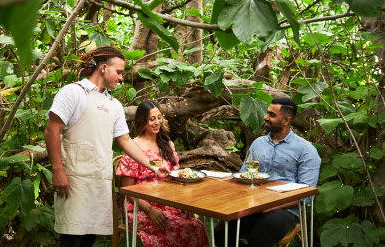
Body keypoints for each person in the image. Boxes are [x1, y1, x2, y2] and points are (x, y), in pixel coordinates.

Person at [44, 47, 169, 247]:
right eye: (118, 72)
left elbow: (126, 140)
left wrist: (154, 165)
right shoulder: (74, 92)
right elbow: (52, 130)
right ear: (103, 68)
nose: (121, 78)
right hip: (74, 179)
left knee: (89, 239)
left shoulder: (114, 105)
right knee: (71, 238)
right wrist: (58, 170)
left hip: (100, 180)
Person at [214, 98, 321, 247]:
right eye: (267, 113)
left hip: (285, 210)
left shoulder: (306, 150)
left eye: (272, 114)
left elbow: (307, 195)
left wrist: (272, 206)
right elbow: (244, 175)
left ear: (286, 120)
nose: (265, 117)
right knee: (221, 232)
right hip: (253, 205)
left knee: (259, 239)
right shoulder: (259, 143)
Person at [116, 100, 209, 247]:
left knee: (197, 225)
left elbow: (176, 180)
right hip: (140, 207)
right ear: (142, 120)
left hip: (168, 203)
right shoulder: (133, 149)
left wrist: (184, 205)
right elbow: (127, 192)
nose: (157, 122)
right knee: (176, 228)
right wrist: (151, 210)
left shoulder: (167, 144)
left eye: (159, 117)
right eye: (152, 119)